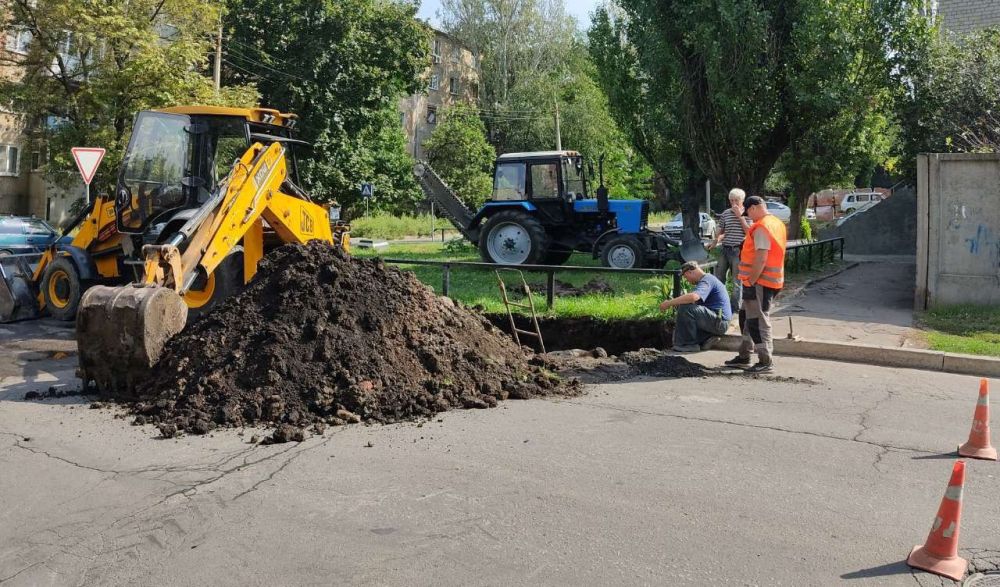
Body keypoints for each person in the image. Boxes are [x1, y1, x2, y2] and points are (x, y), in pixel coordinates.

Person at [725, 195, 787, 373]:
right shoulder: (776, 222)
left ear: (753, 208)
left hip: (759, 281)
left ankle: (765, 360)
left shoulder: (762, 227)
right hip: (766, 280)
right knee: (747, 317)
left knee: (758, 321)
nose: (749, 217)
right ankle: (744, 355)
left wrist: (751, 280)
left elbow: (761, 257)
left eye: (748, 212)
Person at [659, 260, 732, 352]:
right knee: (686, 323)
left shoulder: (706, 280)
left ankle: (689, 345)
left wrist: (669, 303)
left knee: (686, 308)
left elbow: (693, 297)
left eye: (686, 277)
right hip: (717, 321)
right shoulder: (707, 279)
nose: (687, 280)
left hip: (720, 323)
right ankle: (707, 339)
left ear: (690, 272)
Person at [707, 188, 751, 313]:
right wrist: (715, 240)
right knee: (719, 278)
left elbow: (749, 232)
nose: (733, 203)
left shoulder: (747, 213)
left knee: (737, 282)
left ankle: (735, 308)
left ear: (742, 200)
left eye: (736, 200)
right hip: (725, 249)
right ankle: (719, 305)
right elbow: (721, 230)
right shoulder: (726, 213)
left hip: (738, 251)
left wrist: (740, 217)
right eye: (731, 200)